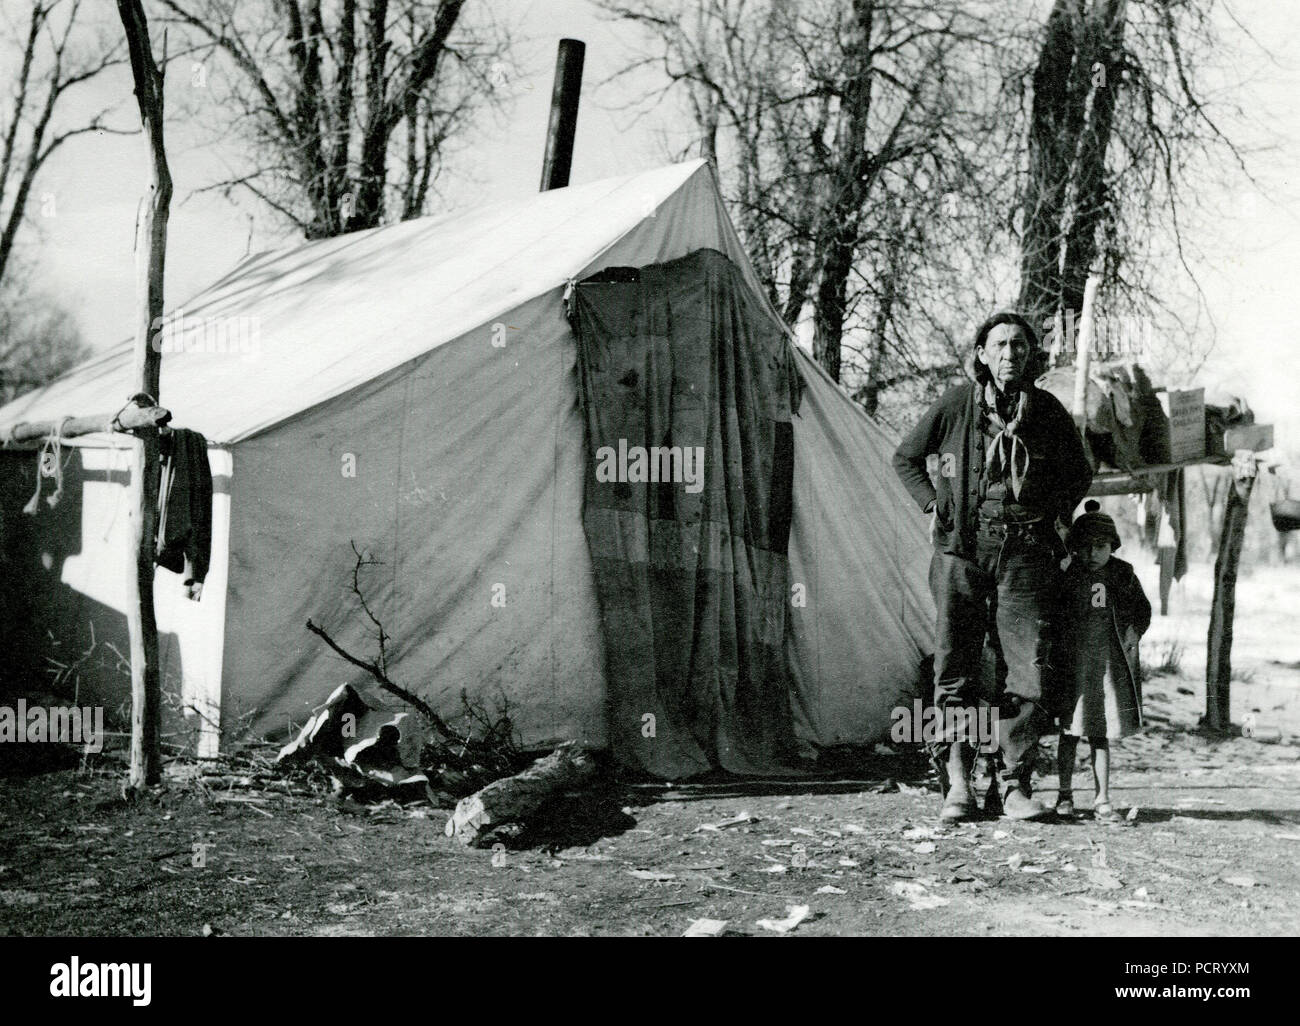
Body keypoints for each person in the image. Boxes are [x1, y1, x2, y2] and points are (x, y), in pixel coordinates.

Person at [892, 312, 1092, 821]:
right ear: (981, 353)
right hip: (961, 554)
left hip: (1024, 558)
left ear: (1030, 356)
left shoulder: (1046, 411)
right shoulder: (957, 404)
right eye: (999, 345)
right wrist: (934, 502)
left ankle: (1012, 785)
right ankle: (957, 781)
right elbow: (907, 458)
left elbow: (1080, 473)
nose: (1010, 354)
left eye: (1020, 346)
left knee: (1025, 673)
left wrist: (1056, 522)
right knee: (954, 666)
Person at [1055, 500, 1152, 822]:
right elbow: (1053, 615)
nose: (1092, 553)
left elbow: (1142, 611)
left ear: (1113, 546)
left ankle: (1102, 799)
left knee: (1100, 733)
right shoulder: (1068, 574)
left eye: (1100, 546)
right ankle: (1064, 796)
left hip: (1107, 666)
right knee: (1069, 733)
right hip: (1074, 666)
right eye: (1084, 547)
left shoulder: (1123, 574)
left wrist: (1131, 636)